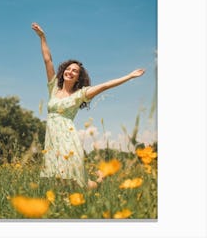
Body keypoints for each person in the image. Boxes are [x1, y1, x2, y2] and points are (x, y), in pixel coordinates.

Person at [32, 22, 145, 188]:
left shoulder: (80, 95)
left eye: (75, 71)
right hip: (52, 139)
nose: (70, 72)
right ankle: (97, 181)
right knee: (59, 181)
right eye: (68, 69)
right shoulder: (53, 88)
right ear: (63, 71)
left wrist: (129, 76)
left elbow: (105, 85)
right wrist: (42, 37)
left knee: (76, 183)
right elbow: (48, 60)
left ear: (78, 77)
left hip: (68, 140)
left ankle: (99, 181)